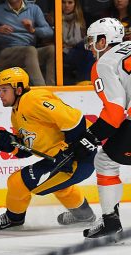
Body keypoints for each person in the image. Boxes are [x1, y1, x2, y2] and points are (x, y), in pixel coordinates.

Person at [0, 67, 96, 230]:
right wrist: (10, 143)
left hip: (79, 157)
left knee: (17, 182)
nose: (0, 95)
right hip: (63, 158)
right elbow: (26, 148)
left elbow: (74, 120)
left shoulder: (33, 99)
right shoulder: (16, 113)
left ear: (18, 89)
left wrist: (69, 152)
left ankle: (13, 218)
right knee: (60, 186)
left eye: (4, 90)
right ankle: (84, 215)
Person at [67, 17, 129, 238]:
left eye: (94, 40)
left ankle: (111, 222)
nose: (91, 46)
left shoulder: (104, 63)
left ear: (104, 40)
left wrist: (90, 137)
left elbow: (114, 112)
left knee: (105, 161)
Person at [0, 0, 56, 86]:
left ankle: (51, 87)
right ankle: (42, 90)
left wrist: (33, 30)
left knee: (51, 50)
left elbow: (49, 32)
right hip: (6, 53)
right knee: (30, 50)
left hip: (30, 51)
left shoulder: (34, 9)